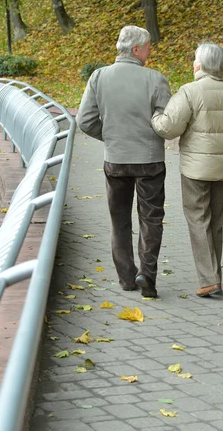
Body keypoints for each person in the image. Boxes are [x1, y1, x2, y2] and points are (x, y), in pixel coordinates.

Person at [152, 43, 223, 297]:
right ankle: (215, 275)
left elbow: (169, 128)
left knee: (198, 219)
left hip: (195, 170)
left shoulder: (189, 92)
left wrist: (155, 117)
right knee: (216, 222)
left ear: (199, 65)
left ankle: (209, 279)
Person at [76, 25, 171, 298]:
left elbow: (84, 121)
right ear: (136, 49)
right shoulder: (156, 80)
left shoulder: (98, 77)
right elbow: (167, 122)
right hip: (150, 161)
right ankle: (147, 274)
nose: (150, 52)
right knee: (151, 218)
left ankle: (127, 279)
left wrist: (111, 138)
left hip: (115, 160)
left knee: (119, 221)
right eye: (148, 47)